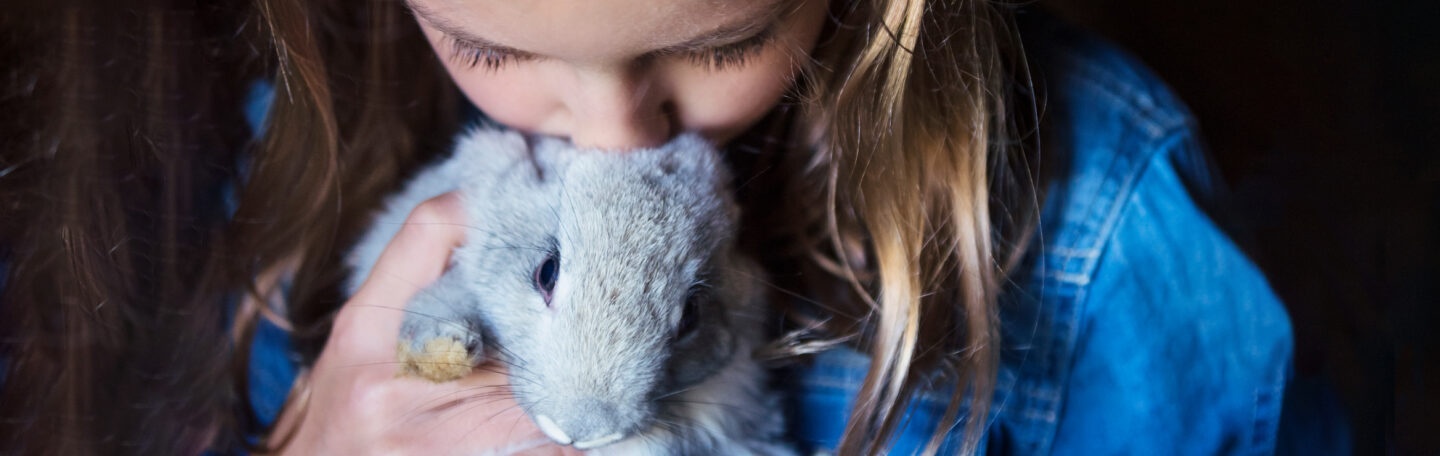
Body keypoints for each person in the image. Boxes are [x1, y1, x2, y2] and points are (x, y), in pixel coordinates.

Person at [0, 0, 1293, 454]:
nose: (619, 138)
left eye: (727, 42)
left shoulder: (1109, 239)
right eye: (491, 47)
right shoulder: (276, 150)